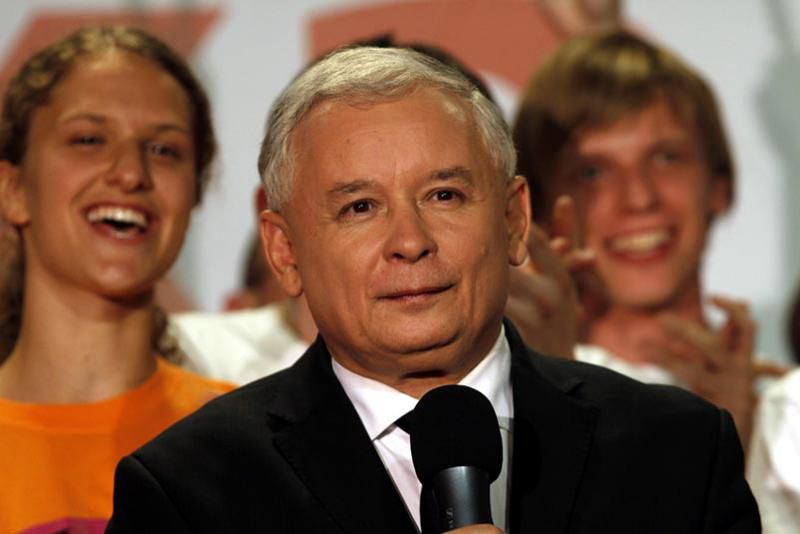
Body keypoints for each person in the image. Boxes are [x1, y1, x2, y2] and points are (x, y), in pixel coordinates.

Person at [108, 46, 757, 533]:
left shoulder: (679, 452)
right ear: (285, 251)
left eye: (444, 195)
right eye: (360, 207)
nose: (410, 241)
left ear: (514, 221)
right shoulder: (189, 491)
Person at [0, 26, 233, 532]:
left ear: (193, 196)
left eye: (164, 150)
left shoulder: (254, 441)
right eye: (88, 140)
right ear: (14, 189)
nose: (130, 173)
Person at [513, 29, 760, 445]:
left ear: (719, 186)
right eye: (592, 172)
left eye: (666, 158)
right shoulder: (504, 407)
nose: (639, 198)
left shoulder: (786, 408)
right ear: (535, 209)